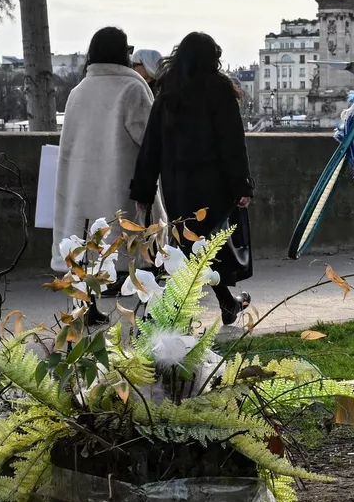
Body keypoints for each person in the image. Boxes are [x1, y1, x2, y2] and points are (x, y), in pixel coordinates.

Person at [130, 32, 255, 325]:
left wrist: (144, 188)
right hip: (213, 183)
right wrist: (242, 184)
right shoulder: (219, 89)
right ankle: (171, 312)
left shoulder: (169, 92)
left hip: (177, 184)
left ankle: (220, 303)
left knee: (192, 245)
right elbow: (232, 141)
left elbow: (152, 145)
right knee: (203, 246)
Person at [57, 27, 158, 285]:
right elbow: (150, 139)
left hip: (82, 187)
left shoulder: (78, 92)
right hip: (122, 186)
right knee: (131, 256)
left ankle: (87, 310)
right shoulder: (133, 87)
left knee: (86, 252)